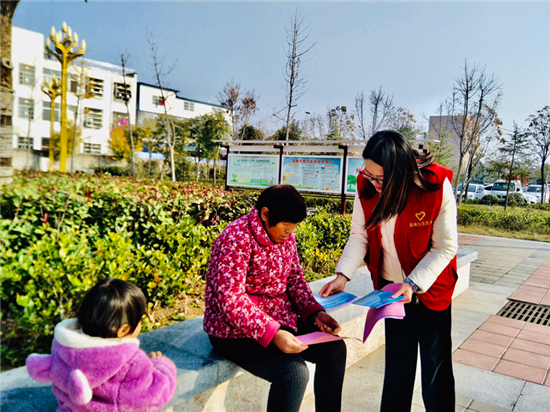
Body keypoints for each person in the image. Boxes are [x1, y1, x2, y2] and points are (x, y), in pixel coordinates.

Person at [320, 130, 458, 412]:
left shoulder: (435, 187)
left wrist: (413, 283)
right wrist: (343, 275)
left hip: (431, 289)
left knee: (436, 366)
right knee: (397, 363)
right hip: (391, 292)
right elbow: (360, 235)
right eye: (368, 174)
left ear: (402, 172)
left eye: (380, 178)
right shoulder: (367, 187)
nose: (373, 182)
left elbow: (445, 247)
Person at [204, 184, 347, 412]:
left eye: (294, 224)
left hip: (277, 319)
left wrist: (315, 313)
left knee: (334, 349)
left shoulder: (286, 237)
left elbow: (295, 279)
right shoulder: (236, 237)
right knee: (293, 373)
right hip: (232, 331)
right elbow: (230, 300)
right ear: (265, 214)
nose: (290, 230)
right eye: (285, 223)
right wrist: (272, 333)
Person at [26, 278, 177, 412]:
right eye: (139, 321)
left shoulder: (63, 346)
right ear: (123, 330)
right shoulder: (130, 362)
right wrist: (162, 365)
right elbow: (155, 396)